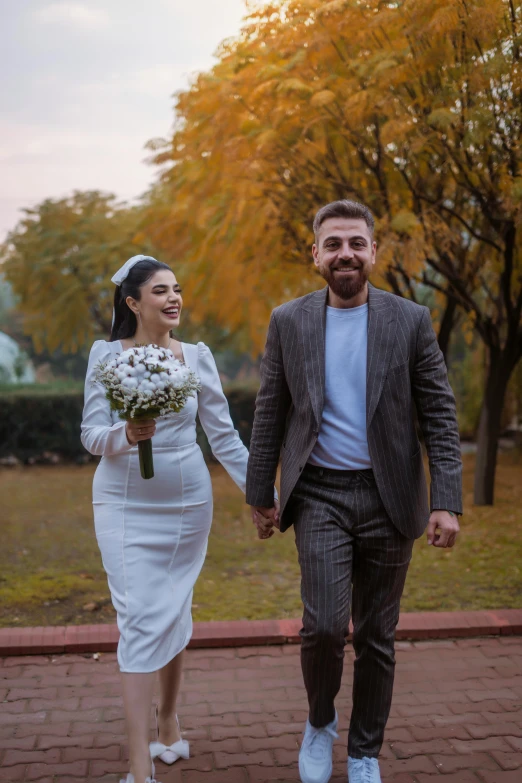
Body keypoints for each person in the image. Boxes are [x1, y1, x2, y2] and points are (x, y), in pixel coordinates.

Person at [246, 201, 463, 783]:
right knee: (322, 626)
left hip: (390, 499)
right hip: (318, 493)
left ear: (372, 252)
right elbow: (271, 412)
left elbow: (439, 416)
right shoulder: (288, 321)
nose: (346, 253)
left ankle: (365, 750)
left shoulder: (409, 320)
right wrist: (258, 491)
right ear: (314, 253)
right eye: (334, 242)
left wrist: (446, 498)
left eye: (357, 243)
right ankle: (320, 722)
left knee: (376, 634)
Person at [81, 255, 270, 783]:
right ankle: (139, 769)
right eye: (160, 291)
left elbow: (224, 436)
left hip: (187, 506)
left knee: (172, 608)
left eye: (177, 289)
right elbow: (92, 434)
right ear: (133, 302)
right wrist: (127, 434)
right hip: (121, 506)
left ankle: (168, 721)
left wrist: (263, 494)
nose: (173, 298)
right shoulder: (106, 355)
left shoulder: (196, 356)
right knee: (140, 616)